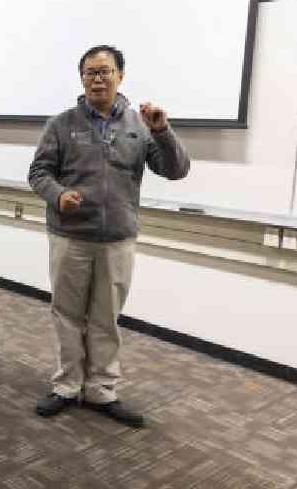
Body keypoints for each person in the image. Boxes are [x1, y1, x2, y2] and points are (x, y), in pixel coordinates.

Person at [28, 45, 190, 427]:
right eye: (90, 72)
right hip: (70, 236)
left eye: (105, 71)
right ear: (81, 78)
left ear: (121, 76)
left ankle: (102, 390)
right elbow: (38, 173)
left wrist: (163, 131)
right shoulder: (61, 123)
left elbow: (176, 169)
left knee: (106, 318)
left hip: (118, 237)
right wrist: (58, 194)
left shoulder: (140, 125)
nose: (97, 78)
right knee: (67, 314)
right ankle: (67, 385)